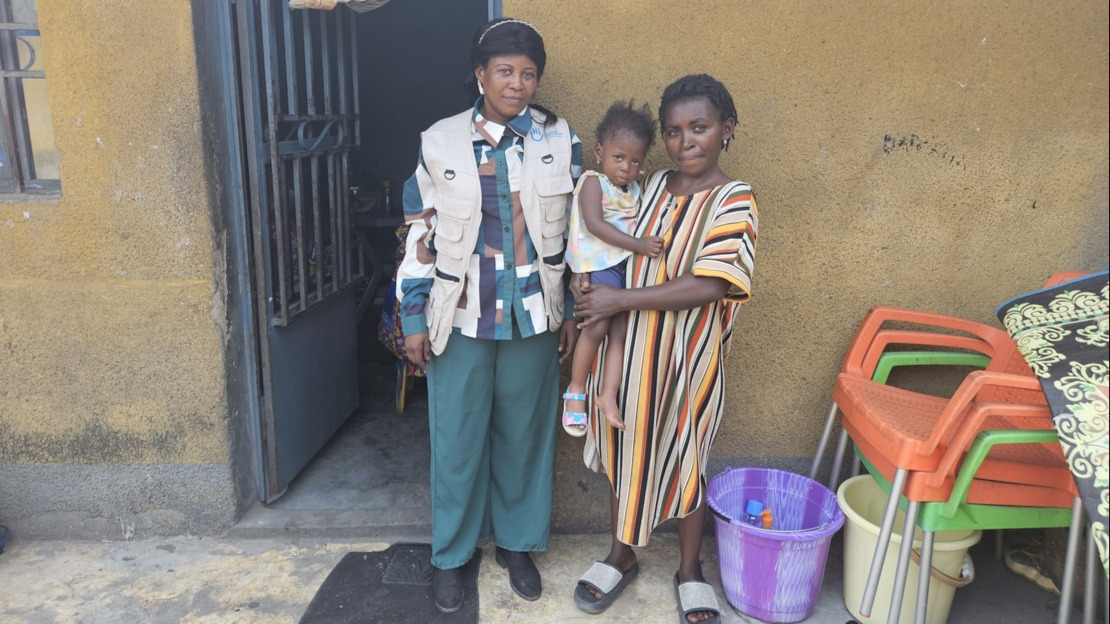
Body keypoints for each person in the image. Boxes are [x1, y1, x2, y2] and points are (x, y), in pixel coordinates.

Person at [395, 17, 581, 614]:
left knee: (526, 436)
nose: (517, 84)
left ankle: (518, 545)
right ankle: (453, 554)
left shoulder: (558, 139)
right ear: (479, 74)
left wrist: (574, 311)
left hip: (534, 312)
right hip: (462, 313)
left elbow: (580, 234)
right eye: (505, 71)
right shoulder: (439, 141)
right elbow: (417, 232)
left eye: (528, 74)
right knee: (457, 439)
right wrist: (413, 314)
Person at [572, 74, 758, 624]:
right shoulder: (646, 186)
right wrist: (585, 295)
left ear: (726, 129)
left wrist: (618, 299)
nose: (686, 141)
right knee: (625, 450)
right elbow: (601, 242)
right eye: (674, 131)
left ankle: (690, 569)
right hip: (627, 355)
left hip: (689, 360)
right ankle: (621, 555)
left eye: (699, 127)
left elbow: (712, 283)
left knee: (687, 455)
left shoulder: (734, 198)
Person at [562, 101, 663, 437]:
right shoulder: (593, 182)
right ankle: (576, 391)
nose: (626, 168)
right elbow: (594, 224)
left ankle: (607, 394)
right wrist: (638, 245)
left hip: (624, 271)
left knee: (619, 332)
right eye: (619, 158)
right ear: (600, 152)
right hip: (598, 265)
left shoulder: (634, 190)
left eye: (635, 161)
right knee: (596, 327)